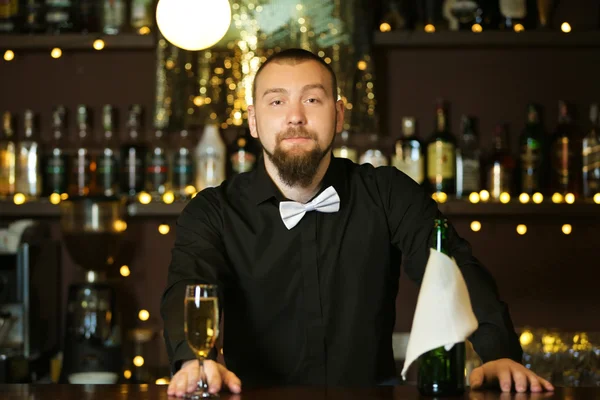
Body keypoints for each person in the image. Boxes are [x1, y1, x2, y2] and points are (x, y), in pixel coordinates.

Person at [161, 48, 555, 398]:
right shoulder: (212, 211)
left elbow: (452, 267)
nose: (295, 117)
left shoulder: (388, 193)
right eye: (277, 101)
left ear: (339, 114)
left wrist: (499, 354)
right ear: (253, 121)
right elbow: (188, 289)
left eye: (312, 99)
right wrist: (193, 361)